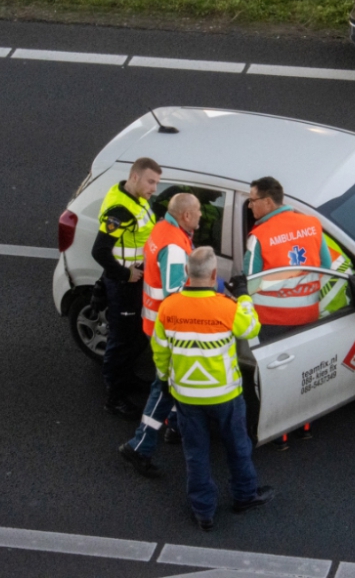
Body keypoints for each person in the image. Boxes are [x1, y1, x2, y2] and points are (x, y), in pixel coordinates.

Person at [152, 247, 273, 531]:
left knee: (196, 453)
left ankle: (203, 511)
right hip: (225, 395)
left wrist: (165, 377)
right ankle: (244, 496)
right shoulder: (226, 307)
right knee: (237, 447)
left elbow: (160, 350)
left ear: (186, 273)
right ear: (215, 275)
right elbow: (251, 329)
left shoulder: (169, 307)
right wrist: (243, 296)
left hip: (186, 396)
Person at [118, 193, 200, 478]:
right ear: (186, 216)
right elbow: (175, 294)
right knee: (163, 388)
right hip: (170, 332)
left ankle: (175, 426)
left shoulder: (162, 229)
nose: (202, 215)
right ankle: (139, 445)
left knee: (172, 383)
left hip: (155, 324)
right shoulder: (175, 246)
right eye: (199, 211)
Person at [92, 157, 160, 420]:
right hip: (123, 284)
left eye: (156, 182)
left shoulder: (135, 198)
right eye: (150, 181)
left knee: (134, 335)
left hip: (134, 279)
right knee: (120, 342)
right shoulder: (121, 210)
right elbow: (99, 250)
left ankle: (128, 378)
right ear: (134, 177)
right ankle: (114, 397)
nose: (154, 188)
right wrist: (125, 274)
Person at [240, 176, 331, 343]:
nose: (250, 205)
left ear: (267, 202)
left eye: (252, 200)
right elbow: (325, 265)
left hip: (272, 320)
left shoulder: (259, 236)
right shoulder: (312, 224)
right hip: (308, 313)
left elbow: (250, 283)